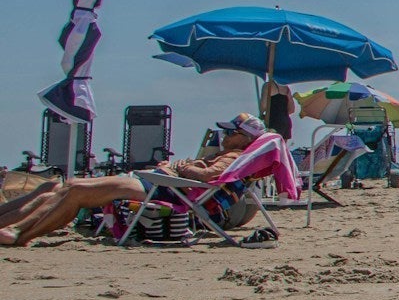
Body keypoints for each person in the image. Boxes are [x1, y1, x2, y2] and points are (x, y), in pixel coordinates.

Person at [0, 115, 270, 247]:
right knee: (60, 188)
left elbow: (206, 177)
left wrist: (184, 166)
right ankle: (11, 227)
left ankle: (20, 234)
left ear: (245, 138)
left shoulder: (235, 156)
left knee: (75, 189)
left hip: (167, 190)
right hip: (161, 183)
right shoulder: (228, 152)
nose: (223, 136)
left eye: (230, 132)